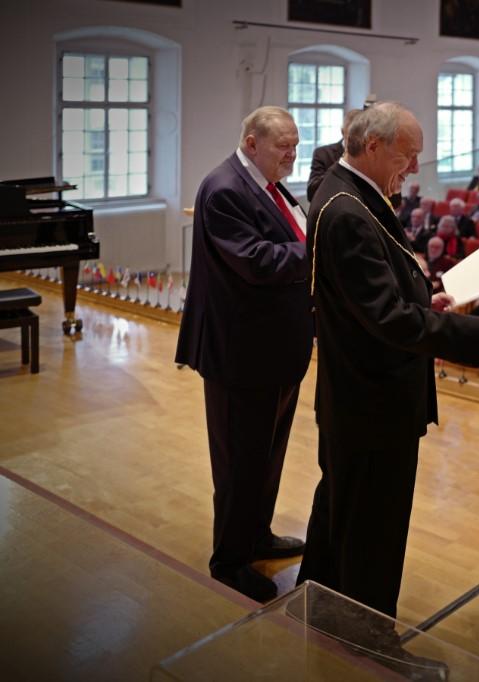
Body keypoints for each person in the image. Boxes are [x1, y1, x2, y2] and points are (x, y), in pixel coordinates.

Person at [297, 102, 479, 618]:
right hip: (372, 403)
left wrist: (428, 302)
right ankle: (366, 642)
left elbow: (379, 302)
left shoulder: (351, 193)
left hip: (359, 400)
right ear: (374, 146)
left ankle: (320, 613)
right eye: (409, 154)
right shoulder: (346, 210)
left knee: (341, 517)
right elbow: (387, 319)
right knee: (372, 537)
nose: (415, 167)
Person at [175, 106, 313, 602]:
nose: (292, 154)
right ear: (252, 143)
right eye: (284, 145)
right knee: (239, 461)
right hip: (241, 354)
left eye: (296, 145)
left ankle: (256, 535)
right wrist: (322, 250)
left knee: (265, 455)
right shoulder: (226, 188)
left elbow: (290, 237)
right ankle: (229, 560)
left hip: (274, 351)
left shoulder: (268, 185)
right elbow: (257, 261)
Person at [307, 108, 363, 201]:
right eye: (353, 135)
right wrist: (343, 162)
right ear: (342, 131)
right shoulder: (323, 153)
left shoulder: (371, 157)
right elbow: (311, 194)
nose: (358, 140)